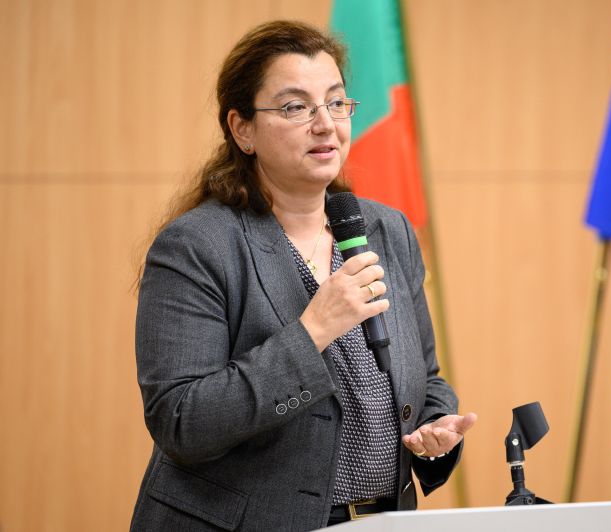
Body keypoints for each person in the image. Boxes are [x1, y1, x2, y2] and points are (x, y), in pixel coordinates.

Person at [130, 20, 476, 531]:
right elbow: (181, 421)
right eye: (296, 107)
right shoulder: (197, 246)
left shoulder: (387, 229)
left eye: (336, 103)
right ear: (242, 129)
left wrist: (433, 430)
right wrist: (313, 330)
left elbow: (426, 378)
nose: (325, 124)